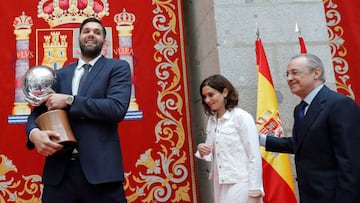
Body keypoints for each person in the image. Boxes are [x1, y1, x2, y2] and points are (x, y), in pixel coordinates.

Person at [25, 17, 131, 203]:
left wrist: (69, 100)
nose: (91, 34)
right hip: (59, 175)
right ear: (79, 38)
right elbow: (36, 113)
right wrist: (33, 133)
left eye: (97, 32)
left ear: (104, 42)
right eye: (86, 31)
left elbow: (116, 108)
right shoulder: (61, 74)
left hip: (101, 175)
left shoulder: (117, 68)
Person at [259, 53, 360, 203]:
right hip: (310, 195)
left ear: (316, 73)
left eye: (295, 72)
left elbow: (351, 162)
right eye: (287, 74)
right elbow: (303, 143)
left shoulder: (339, 104)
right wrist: (261, 140)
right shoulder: (300, 109)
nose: (289, 78)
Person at [195, 74, 264, 203]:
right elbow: (210, 152)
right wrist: (201, 149)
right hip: (220, 182)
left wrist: (254, 192)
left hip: (241, 182)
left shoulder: (241, 117)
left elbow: (254, 156)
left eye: (211, 95)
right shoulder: (212, 120)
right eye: (204, 97)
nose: (207, 100)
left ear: (225, 92)